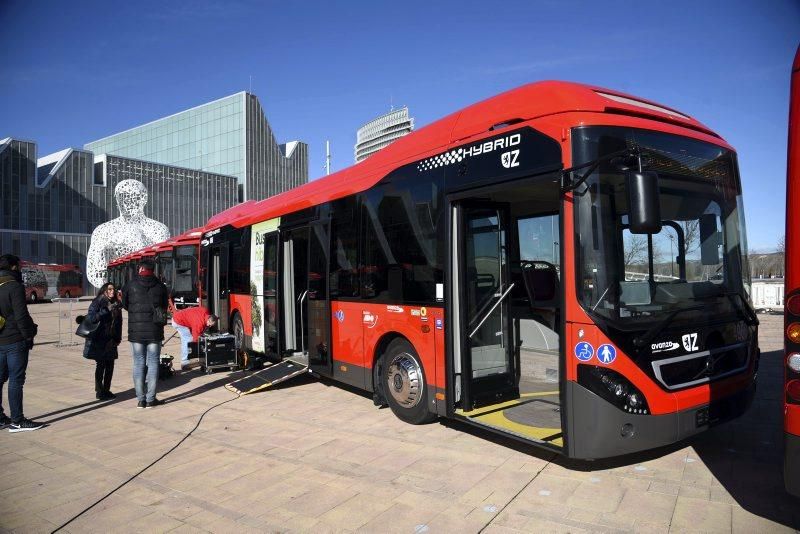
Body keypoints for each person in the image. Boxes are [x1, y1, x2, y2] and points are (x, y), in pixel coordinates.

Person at [0, 254, 43, 432]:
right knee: (16, 381)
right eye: (19, 265)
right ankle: (17, 421)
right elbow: (21, 316)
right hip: (15, 340)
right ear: (13, 267)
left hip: (0, 339)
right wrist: (29, 335)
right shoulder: (14, 287)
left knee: (0, 379)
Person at [121, 258, 169, 409]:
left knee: (138, 363)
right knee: (153, 362)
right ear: (153, 270)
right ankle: (151, 399)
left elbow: (125, 304)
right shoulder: (160, 286)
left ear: (139, 269)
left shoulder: (130, 285)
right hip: (154, 330)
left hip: (136, 331)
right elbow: (164, 306)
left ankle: (141, 399)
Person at [83, 283, 122, 400]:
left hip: (111, 339)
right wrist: (106, 310)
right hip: (99, 339)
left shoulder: (116, 303)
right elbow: (91, 318)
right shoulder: (97, 301)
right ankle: (99, 391)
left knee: (110, 365)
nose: (112, 291)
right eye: (109, 289)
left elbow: (119, 322)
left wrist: (118, 338)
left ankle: (107, 390)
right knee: (101, 365)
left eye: (113, 289)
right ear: (104, 290)